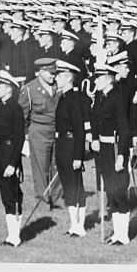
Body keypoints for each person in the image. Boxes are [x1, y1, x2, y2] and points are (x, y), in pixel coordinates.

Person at [91, 62, 132, 244]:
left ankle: (123, 235)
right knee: (110, 191)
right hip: (103, 149)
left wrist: (122, 155)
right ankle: (116, 233)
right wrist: (93, 138)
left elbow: (124, 129)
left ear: (109, 79)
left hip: (116, 149)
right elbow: (94, 120)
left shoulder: (118, 98)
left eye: (99, 78)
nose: (96, 81)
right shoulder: (101, 97)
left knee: (119, 192)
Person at [18, 57, 64, 210]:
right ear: (41, 71)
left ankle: (58, 198)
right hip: (39, 132)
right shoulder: (29, 89)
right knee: (40, 168)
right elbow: (23, 115)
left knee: (58, 166)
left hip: (58, 132)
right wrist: (24, 136)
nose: (53, 75)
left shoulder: (59, 87)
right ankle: (42, 201)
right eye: (50, 73)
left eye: (55, 72)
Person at [0, 69, 26, 247]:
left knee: (12, 195)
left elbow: (19, 137)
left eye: (0, 86)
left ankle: (14, 236)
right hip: (0, 152)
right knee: (6, 194)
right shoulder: (2, 107)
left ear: (9, 89)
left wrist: (13, 164)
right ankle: (11, 234)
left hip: (9, 153)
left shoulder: (15, 108)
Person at [54, 60, 87, 236]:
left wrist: (77, 156)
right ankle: (74, 224)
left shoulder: (73, 100)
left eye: (59, 76)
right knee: (68, 186)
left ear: (68, 78)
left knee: (75, 186)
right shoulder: (63, 97)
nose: (56, 78)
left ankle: (79, 226)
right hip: (62, 145)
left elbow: (79, 130)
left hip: (71, 145)